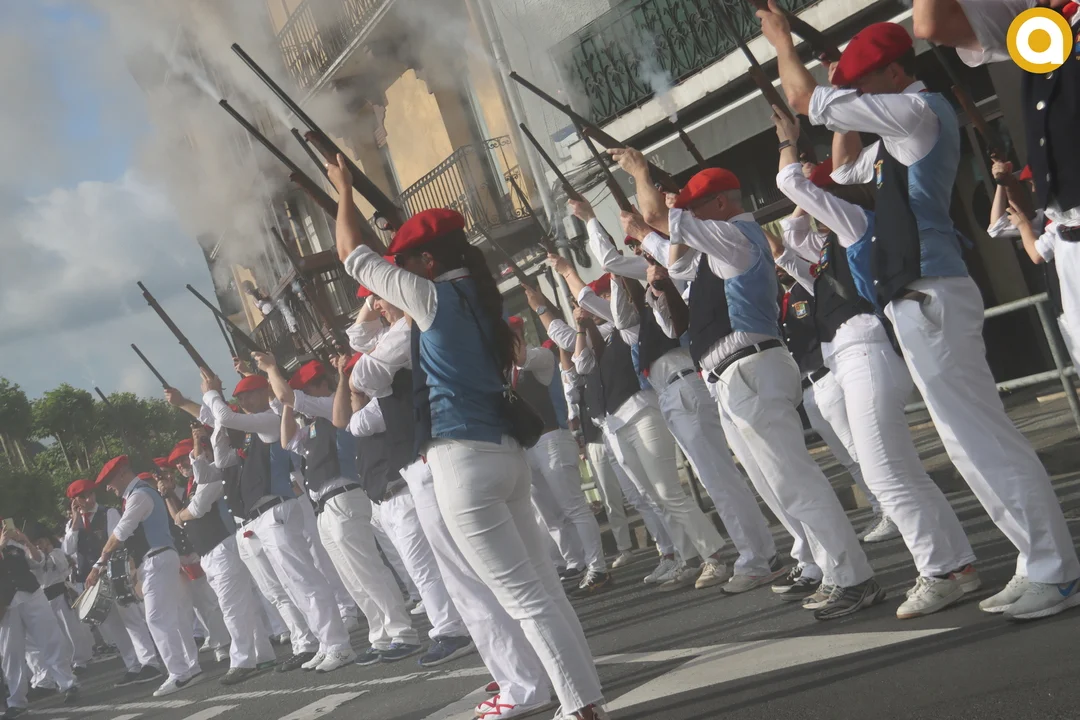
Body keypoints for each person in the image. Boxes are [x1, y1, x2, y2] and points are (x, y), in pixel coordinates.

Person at [758, 7, 1080, 619]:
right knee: (964, 444)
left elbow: (803, 99)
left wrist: (781, 42)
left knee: (983, 437)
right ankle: (1033, 558)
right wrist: (841, 82)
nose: (856, 97)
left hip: (931, 290)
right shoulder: (896, 133)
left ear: (893, 72)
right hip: (918, 295)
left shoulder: (917, 111)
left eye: (863, 84)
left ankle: (1056, 569)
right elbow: (842, 167)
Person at [327, 148, 608, 720]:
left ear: (428, 262)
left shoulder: (432, 298)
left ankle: (580, 710)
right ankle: (586, 704)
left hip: (462, 462)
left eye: (408, 261)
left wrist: (342, 191)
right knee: (543, 592)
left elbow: (351, 254)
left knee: (524, 597)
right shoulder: (480, 297)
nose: (401, 272)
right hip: (504, 454)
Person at [610, 144, 881, 619]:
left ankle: (853, 577)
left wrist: (639, 172)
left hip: (750, 368)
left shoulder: (736, 234)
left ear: (720, 204)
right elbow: (673, 258)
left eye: (696, 208)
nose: (690, 218)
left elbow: (656, 219)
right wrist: (653, 225)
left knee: (795, 481)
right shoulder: (719, 245)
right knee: (779, 486)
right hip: (734, 376)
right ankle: (829, 569)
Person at [770, 110, 982, 618]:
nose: (811, 210)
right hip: (854, 355)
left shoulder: (855, 222)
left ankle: (941, 570)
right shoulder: (834, 240)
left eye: (820, 198)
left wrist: (787, 143)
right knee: (897, 469)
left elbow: (789, 184)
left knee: (885, 472)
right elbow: (792, 234)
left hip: (865, 349)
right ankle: (955, 566)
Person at [572, 202, 786, 594]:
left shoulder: (678, 268)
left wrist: (592, 221)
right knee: (724, 477)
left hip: (685, 384)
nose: (638, 254)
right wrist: (620, 267)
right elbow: (615, 283)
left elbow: (612, 262)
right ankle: (761, 553)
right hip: (677, 390)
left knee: (723, 479)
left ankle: (758, 556)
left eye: (641, 247)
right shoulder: (653, 287)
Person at [262, 353, 428, 667]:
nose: (302, 397)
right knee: (353, 578)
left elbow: (287, 396)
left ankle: (402, 632)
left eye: (305, 389)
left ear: (319, 385)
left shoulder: (329, 404)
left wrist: (273, 369)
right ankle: (380, 636)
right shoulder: (314, 421)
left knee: (368, 570)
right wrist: (287, 407)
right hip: (325, 505)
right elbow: (287, 441)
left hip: (344, 495)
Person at [507, 315, 613, 595]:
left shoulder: (539, 356)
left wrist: (510, 342)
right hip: (528, 447)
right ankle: (574, 562)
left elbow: (521, 358)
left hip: (552, 438)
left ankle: (598, 566)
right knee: (550, 515)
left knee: (573, 507)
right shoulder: (505, 370)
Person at [169, 427, 277, 685]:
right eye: (179, 462)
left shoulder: (213, 474)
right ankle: (262, 653)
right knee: (242, 605)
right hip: (211, 552)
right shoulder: (194, 484)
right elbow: (185, 516)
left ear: (206, 451)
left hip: (222, 547)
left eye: (187, 457)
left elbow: (198, 508)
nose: (183, 464)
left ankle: (242, 661)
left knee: (232, 607)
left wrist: (180, 514)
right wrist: (179, 510)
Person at [86, 456, 202, 696]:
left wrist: (98, 565)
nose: (108, 487)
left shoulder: (138, 496)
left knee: (157, 618)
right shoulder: (140, 494)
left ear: (122, 474)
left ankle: (179, 673)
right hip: (161, 557)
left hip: (157, 559)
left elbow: (119, 534)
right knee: (173, 616)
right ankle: (191, 667)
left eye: (109, 481)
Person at [60, 479, 162, 686]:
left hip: (112, 572)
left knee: (130, 618)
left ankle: (149, 662)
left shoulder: (108, 513)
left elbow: (116, 541)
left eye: (90, 494)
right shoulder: (73, 524)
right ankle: (133, 665)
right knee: (114, 624)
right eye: (82, 497)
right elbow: (67, 550)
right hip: (91, 580)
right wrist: (75, 522)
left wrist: (100, 567)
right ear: (75, 501)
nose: (88, 499)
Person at [0, 532, 79, 717]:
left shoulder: (15, 544)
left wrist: (27, 542)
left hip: (31, 594)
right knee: (11, 653)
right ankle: (16, 701)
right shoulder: (4, 544)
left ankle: (68, 683)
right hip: (6, 603)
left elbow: (38, 562)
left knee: (51, 639)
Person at [23, 523, 93, 675]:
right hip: (45, 598)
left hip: (61, 594)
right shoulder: (32, 558)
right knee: (57, 634)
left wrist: (51, 553)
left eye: (41, 542)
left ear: (47, 540)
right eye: (35, 543)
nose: (39, 545)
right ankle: (66, 662)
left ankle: (80, 661)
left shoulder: (56, 553)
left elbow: (64, 569)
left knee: (71, 629)